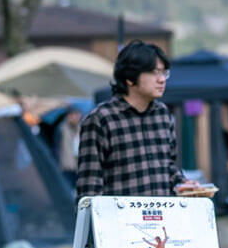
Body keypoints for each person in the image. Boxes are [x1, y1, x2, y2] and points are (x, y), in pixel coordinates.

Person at [76, 40, 199, 199]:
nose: (162, 80)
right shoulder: (101, 119)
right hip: (120, 221)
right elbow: (89, 186)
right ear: (130, 78)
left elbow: (168, 166)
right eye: (154, 72)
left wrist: (182, 183)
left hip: (162, 218)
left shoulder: (163, 114)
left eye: (164, 73)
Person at [58, 106, 82, 190]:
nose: (76, 118)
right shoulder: (61, 129)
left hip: (78, 166)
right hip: (65, 166)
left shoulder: (81, 129)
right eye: (73, 115)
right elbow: (56, 147)